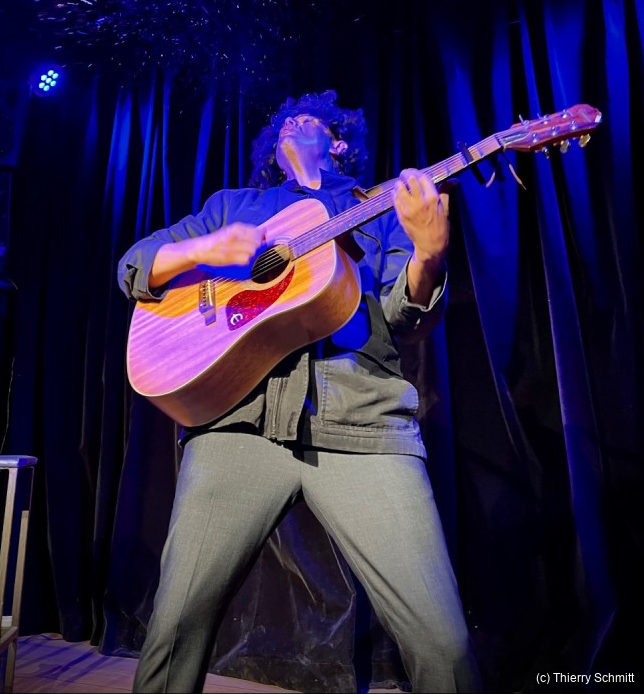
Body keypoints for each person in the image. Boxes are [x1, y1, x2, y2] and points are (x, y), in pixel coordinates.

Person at [117, 89, 483, 694]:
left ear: (336, 143)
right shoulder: (234, 205)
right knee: (173, 629)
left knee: (443, 645)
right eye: (285, 120)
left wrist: (429, 253)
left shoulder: (379, 207)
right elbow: (135, 266)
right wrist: (202, 249)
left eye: (308, 118)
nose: (292, 122)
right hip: (237, 422)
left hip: (361, 421)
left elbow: (404, 315)